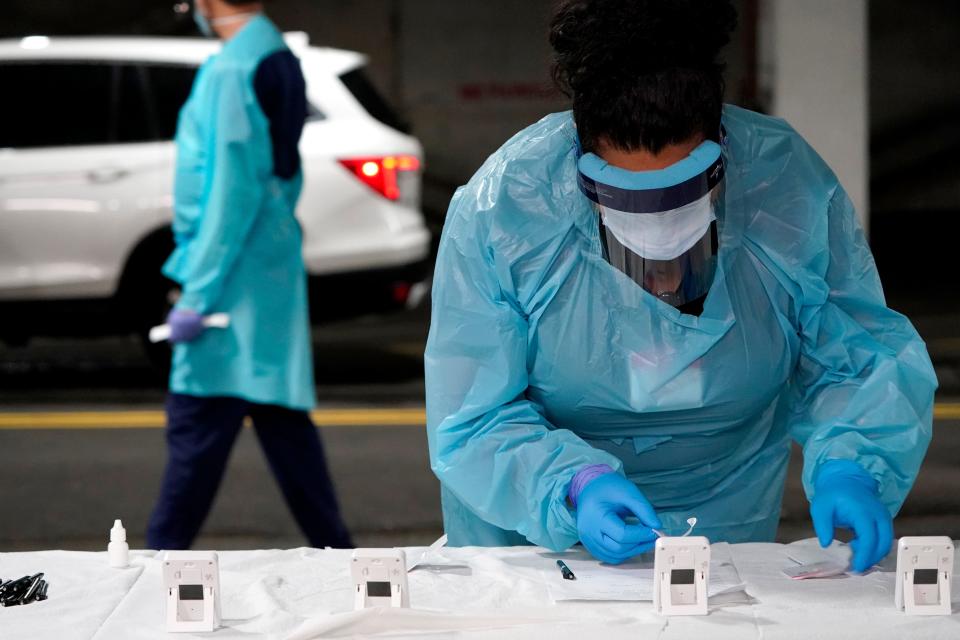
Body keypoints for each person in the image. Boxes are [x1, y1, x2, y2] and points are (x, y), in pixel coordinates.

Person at [424, 0, 937, 572]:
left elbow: (855, 354)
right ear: (580, 150)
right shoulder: (505, 209)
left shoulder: (785, 184)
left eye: (686, 190)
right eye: (626, 199)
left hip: (724, 508)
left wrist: (853, 462)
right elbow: (471, 413)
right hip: (538, 529)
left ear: (722, 141)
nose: (661, 237)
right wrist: (572, 485)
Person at [146, 0, 352, 550]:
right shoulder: (275, 55)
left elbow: (229, 191)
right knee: (282, 425)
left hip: (228, 281)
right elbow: (281, 173)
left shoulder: (234, 69)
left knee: (197, 428)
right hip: (265, 270)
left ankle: (149, 572)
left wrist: (197, 292)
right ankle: (345, 563)